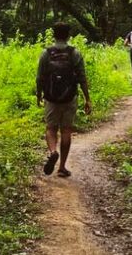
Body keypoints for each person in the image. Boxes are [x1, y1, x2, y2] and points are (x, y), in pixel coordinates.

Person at [36, 22, 91, 178]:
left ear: (54, 35)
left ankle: (53, 152)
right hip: (69, 97)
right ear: (68, 35)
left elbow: (40, 77)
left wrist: (39, 95)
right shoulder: (75, 53)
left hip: (51, 98)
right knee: (66, 130)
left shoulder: (46, 54)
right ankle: (62, 167)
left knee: (50, 128)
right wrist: (87, 99)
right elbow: (82, 78)